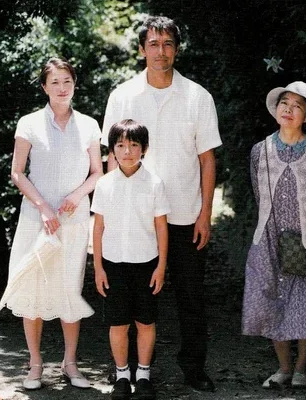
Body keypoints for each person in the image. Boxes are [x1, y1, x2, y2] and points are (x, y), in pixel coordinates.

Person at [102, 16, 222, 392]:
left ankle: (194, 368)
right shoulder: (122, 96)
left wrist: (205, 213)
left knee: (191, 295)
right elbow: (112, 159)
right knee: (131, 300)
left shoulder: (198, 97)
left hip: (185, 213)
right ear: (142, 49)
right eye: (153, 44)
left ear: (177, 49)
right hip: (135, 220)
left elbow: (207, 159)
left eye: (168, 43)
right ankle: (130, 371)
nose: (160, 51)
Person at [0, 57, 103, 390]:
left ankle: (70, 363)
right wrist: (43, 207)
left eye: (67, 81)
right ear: (44, 87)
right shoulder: (29, 123)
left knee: (70, 287)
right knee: (33, 287)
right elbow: (17, 172)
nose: (61, 88)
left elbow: (98, 172)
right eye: (54, 82)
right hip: (36, 218)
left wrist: (77, 195)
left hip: (73, 218)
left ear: (75, 84)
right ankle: (35, 364)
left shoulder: (89, 125)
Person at [242, 81, 306, 389]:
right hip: (269, 237)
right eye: (284, 103)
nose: (289, 109)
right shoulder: (260, 151)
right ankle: (284, 368)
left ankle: (301, 369)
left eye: (297, 106)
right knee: (270, 298)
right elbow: (259, 193)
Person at [92, 119, 170, 400]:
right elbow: (98, 228)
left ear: (144, 149)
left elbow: (161, 227)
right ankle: (122, 375)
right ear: (112, 149)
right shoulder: (104, 184)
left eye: (134, 145)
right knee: (118, 324)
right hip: (113, 264)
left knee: (145, 322)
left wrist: (161, 267)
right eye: (121, 145)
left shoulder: (154, 183)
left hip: (146, 263)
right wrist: (98, 268)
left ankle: (144, 376)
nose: (127, 151)